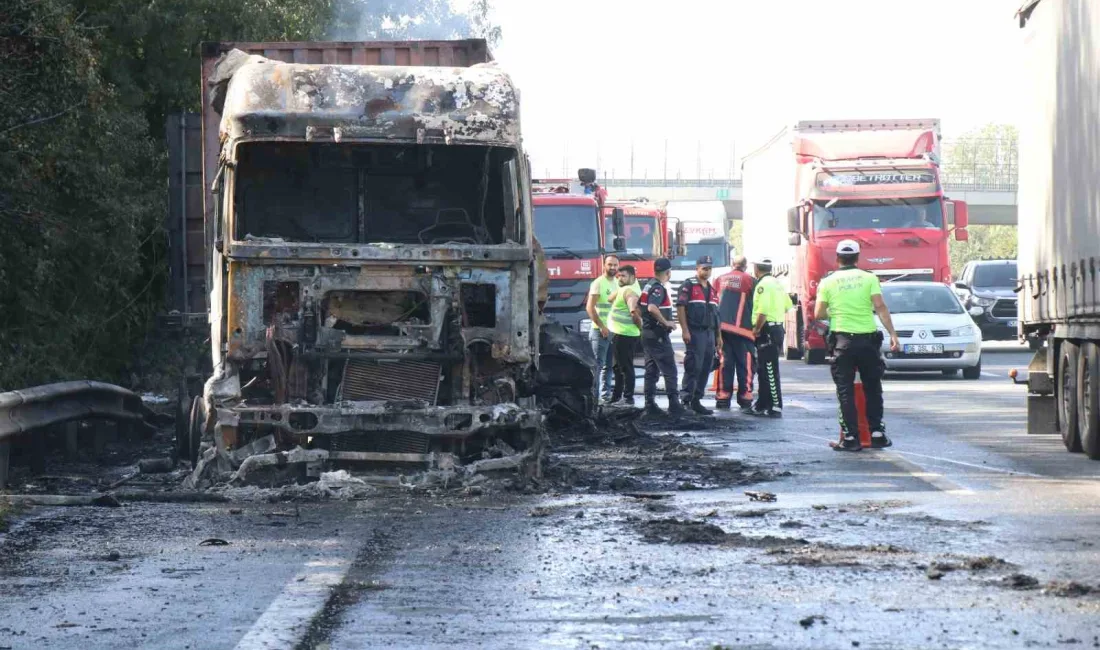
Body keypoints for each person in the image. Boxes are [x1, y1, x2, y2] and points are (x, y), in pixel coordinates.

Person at [814, 240, 901, 451]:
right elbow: (880, 307)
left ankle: (851, 438)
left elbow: (818, 314)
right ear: (858, 257)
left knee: (845, 390)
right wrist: (893, 334)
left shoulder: (828, 282)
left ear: (837, 258)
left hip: (842, 341)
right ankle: (877, 433)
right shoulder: (869, 278)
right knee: (873, 387)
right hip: (868, 341)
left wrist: (835, 312)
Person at [639, 258, 685, 417]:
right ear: (668, 272)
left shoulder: (648, 285)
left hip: (648, 334)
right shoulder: (658, 288)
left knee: (651, 370)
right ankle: (674, 405)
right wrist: (665, 322)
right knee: (670, 370)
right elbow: (652, 308)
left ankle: (649, 404)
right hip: (658, 336)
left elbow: (640, 308)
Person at [713, 255, 756, 413]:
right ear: (745, 266)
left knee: (725, 363)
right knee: (746, 364)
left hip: (722, 330)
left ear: (732, 265)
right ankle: (745, 396)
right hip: (743, 331)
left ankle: (723, 397)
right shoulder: (750, 280)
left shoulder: (719, 279)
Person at [677, 255, 720, 415]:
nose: (707, 271)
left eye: (709, 268)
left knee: (706, 366)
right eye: (704, 268)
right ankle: (686, 400)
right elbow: (681, 308)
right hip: (695, 332)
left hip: (709, 333)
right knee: (693, 365)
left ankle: (697, 400)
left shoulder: (712, 290)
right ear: (697, 268)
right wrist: (685, 330)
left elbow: (716, 316)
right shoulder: (689, 285)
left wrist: (718, 337)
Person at [751, 257, 792, 417]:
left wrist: (757, 328)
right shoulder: (777, 283)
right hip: (776, 328)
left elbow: (763, 310)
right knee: (763, 369)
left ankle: (775, 405)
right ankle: (762, 404)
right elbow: (788, 305)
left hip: (767, 329)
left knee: (769, 369)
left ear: (756, 269)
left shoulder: (763, 285)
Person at [607, 265, 643, 405]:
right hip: (619, 333)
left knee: (625, 367)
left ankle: (628, 398)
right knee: (618, 367)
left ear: (632, 277)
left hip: (626, 335)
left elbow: (633, 312)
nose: (620, 278)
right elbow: (610, 298)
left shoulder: (630, 292)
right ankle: (616, 397)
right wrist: (618, 287)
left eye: (624, 276)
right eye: (619, 276)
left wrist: (641, 329)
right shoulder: (623, 289)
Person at [585, 255, 619, 401]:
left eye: (615, 265)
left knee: (609, 367)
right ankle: (593, 398)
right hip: (600, 332)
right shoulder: (598, 283)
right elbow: (590, 308)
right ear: (604, 265)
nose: (613, 268)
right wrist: (602, 326)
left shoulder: (617, 283)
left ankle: (605, 397)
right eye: (610, 265)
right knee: (597, 366)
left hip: (614, 332)